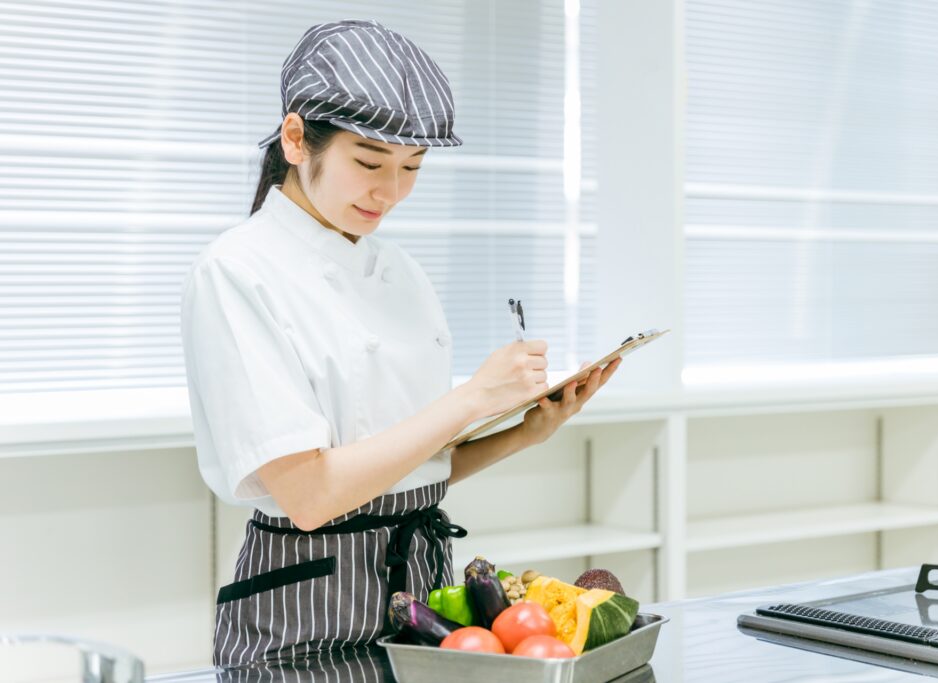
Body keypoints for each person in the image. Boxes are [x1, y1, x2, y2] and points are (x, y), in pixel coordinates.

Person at [179, 19, 621, 669]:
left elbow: (409, 473)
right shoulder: (237, 271)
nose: (390, 192)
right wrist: (473, 397)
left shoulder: (401, 272)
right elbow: (310, 497)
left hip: (423, 594)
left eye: (412, 166)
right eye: (368, 162)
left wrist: (524, 430)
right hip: (305, 614)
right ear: (297, 139)